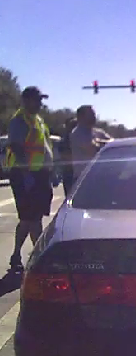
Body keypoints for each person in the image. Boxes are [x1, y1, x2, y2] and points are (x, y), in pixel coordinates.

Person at [3, 86, 54, 271]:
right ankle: (39, 258)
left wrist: (50, 170)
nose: (40, 103)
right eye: (36, 100)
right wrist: (26, 175)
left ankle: (17, 255)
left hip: (39, 174)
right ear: (26, 100)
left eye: (41, 100)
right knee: (32, 219)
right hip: (26, 175)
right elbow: (16, 147)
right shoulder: (19, 121)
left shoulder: (38, 120)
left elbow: (43, 145)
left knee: (29, 218)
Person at [70, 105, 112, 183]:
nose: (94, 117)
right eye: (91, 114)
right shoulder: (77, 133)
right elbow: (92, 149)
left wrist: (100, 141)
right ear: (81, 117)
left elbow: (112, 143)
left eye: (94, 114)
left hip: (100, 176)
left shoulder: (98, 132)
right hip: (83, 179)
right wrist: (103, 144)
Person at [58, 118, 77, 197]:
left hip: (74, 172)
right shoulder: (65, 141)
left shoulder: (75, 138)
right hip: (69, 173)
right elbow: (64, 156)